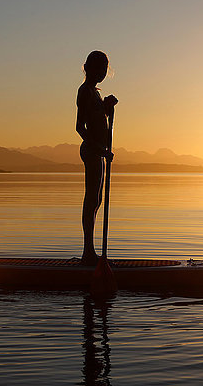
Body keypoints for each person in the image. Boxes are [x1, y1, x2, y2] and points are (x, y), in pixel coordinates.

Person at [76, 51, 118, 266]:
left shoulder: (96, 93)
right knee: (91, 199)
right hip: (92, 152)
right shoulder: (84, 92)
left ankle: (90, 252)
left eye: (104, 69)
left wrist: (108, 108)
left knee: (97, 201)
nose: (101, 73)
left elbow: (102, 124)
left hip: (99, 151)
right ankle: (88, 253)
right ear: (87, 68)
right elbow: (80, 127)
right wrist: (98, 149)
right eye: (97, 68)